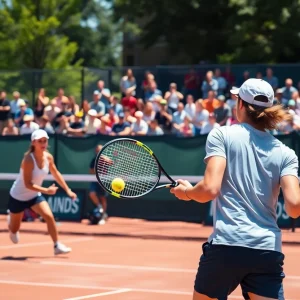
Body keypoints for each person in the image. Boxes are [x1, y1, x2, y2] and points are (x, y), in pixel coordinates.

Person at [170, 78, 300, 300]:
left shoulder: (222, 135)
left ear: (240, 105)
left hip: (227, 245)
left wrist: (187, 192)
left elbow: (209, 189)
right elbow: (295, 208)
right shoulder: (286, 153)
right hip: (267, 250)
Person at [7, 129, 77, 255]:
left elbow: (56, 173)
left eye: (45, 141)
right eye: (40, 141)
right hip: (18, 197)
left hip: (34, 196)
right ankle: (11, 225)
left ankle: (56, 246)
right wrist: (47, 190)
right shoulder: (28, 160)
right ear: (33, 142)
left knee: (49, 217)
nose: (43, 143)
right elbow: (28, 183)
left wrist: (68, 190)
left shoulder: (48, 157)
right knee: (14, 230)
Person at [88, 144, 108, 225]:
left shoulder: (105, 158)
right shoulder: (94, 160)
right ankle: (99, 207)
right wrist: (96, 173)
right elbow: (90, 171)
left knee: (102, 198)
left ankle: (103, 215)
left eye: (100, 150)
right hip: (95, 181)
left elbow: (111, 162)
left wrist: (103, 159)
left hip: (103, 181)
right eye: (97, 150)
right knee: (92, 194)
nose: (98, 152)